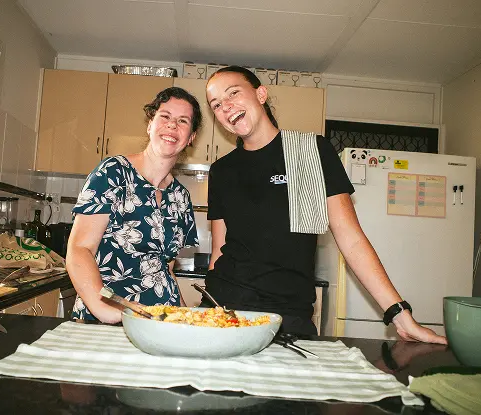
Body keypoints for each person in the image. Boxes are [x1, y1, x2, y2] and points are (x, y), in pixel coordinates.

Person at [203, 66, 446, 343]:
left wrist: (400, 314)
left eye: (233, 93)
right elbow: (219, 253)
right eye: (217, 105)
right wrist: (211, 312)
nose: (226, 107)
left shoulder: (310, 152)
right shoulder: (222, 171)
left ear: (260, 93)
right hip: (224, 309)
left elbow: (351, 239)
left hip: (286, 317)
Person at [67, 87, 201, 323]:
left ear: (191, 137)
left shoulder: (181, 197)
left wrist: (183, 318)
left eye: (183, 121)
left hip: (159, 322)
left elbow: (165, 270)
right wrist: (106, 310)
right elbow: (79, 249)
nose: (172, 125)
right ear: (150, 124)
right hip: (109, 318)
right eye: (165, 116)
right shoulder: (113, 173)